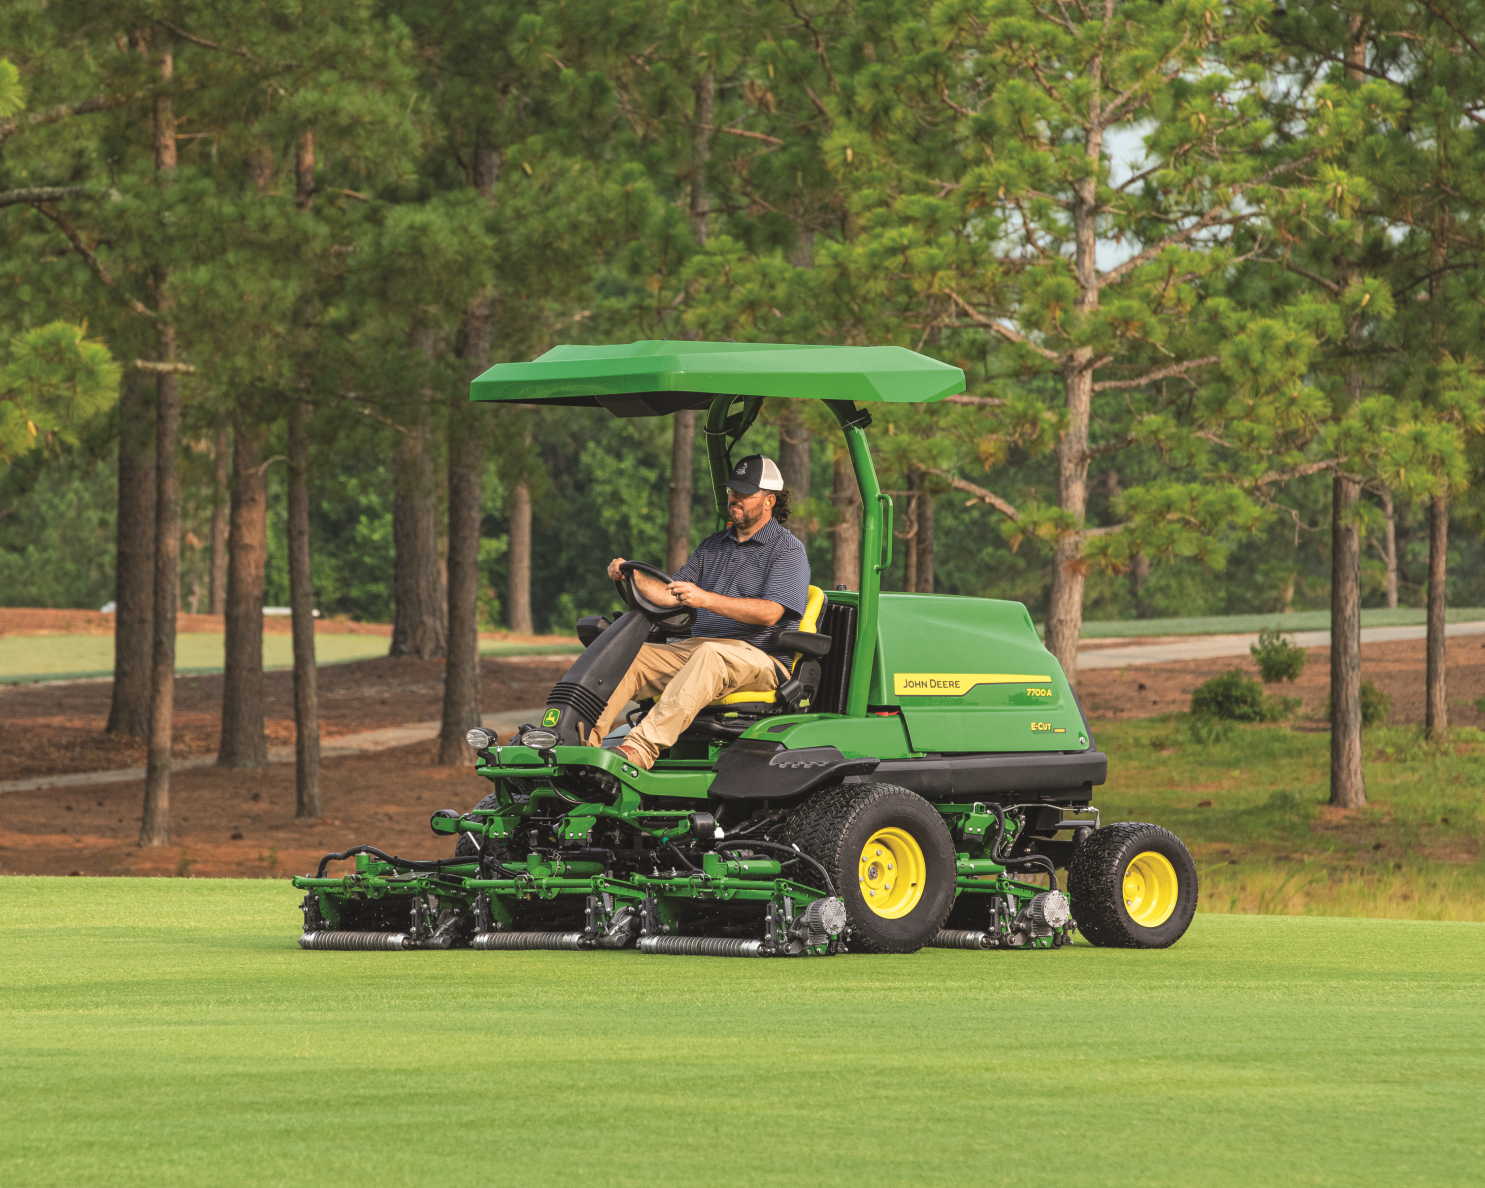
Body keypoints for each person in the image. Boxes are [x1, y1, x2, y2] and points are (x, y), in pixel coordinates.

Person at [592, 453, 810, 769]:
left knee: (709, 654)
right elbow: (671, 594)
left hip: (761, 657)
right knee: (629, 656)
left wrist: (705, 599)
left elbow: (770, 613)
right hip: (701, 650)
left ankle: (637, 751)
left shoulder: (787, 549)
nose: (734, 499)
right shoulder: (713, 545)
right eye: (733, 492)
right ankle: (580, 745)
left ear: (769, 501)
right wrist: (632, 576)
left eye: (744, 494)